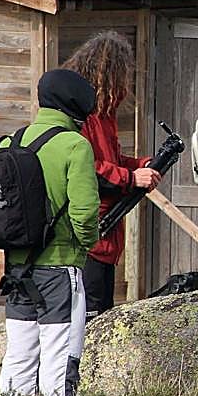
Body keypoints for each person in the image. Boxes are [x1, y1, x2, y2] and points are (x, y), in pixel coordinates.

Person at [0, 69, 100, 396]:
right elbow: (85, 214)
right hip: (60, 271)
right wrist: (85, 246)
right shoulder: (75, 146)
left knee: (19, 356)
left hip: (16, 271)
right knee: (60, 360)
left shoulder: (9, 143)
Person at [61, 31, 160, 317]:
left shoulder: (104, 115)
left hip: (106, 234)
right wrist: (130, 178)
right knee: (90, 315)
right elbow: (85, 169)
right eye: (123, 74)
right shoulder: (84, 117)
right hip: (88, 232)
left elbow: (109, 161)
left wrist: (139, 164)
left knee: (101, 310)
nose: (125, 83)